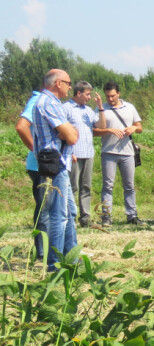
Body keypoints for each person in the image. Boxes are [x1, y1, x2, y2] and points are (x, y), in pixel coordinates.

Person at [32, 69, 79, 269]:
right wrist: (68, 132)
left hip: (60, 162)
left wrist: (68, 132)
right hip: (56, 163)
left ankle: (71, 259)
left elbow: (70, 133)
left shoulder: (48, 102)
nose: (70, 86)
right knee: (59, 216)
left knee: (69, 213)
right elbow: (72, 136)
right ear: (58, 83)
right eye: (68, 83)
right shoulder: (49, 103)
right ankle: (55, 263)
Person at [93, 82, 143, 227]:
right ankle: (106, 216)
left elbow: (140, 127)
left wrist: (133, 128)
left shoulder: (129, 107)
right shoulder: (101, 109)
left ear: (119, 94)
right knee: (108, 186)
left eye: (113, 96)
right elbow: (96, 130)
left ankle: (132, 215)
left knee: (129, 185)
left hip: (127, 152)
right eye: (108, 96)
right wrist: (108, 128)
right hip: (109, 152)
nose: (110, 99)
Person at [64, 81, 105, 228]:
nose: (89, 97)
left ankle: (85, 217)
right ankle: (70, 218)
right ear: (79, 93)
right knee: (72, 187)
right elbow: (62, 132)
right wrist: (69, 151)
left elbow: (101, 126)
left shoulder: (88, 110)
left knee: (86, 186)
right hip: (74, 154)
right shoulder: (66, 109)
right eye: (87, 94)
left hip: (88, 153)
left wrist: (100, 108)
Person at [15, 89, 49, 259]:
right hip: (39, 166)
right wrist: (37, 152)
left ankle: (50, 249)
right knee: (44, 209)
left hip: (48, 165)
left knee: (49, 208)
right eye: (68, 83)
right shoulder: (38, 100)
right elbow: (21, 126)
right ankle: (42, 253)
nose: (70, 88)